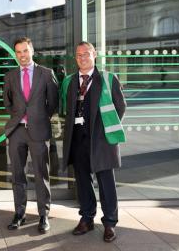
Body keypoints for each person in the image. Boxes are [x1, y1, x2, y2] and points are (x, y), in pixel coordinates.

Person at [61, 42, 126, 243]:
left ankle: (109, 223)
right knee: (82, 181)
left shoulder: (108, 79)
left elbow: (120, 107)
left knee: (106, 182)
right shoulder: (69, 82)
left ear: (94, 54)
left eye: (86, 54)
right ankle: (87, 219)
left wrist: (105, 130)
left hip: (101, 140)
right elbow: (65, 110)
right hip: (78, 140)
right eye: (78, 55)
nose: (82, 58)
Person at [3, 37, 58, 234]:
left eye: (25, 51)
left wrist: (39, 118)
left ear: (32, 51)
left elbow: (53, 102)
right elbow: (7, 102)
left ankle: (43, 215)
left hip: (39, 130)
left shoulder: (46, 74)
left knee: (41, 174)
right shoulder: (10, 76)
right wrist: (20, 117)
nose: (22, 55)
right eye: (18, 52)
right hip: (17, 131)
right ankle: (19, 213)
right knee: (17, 175)